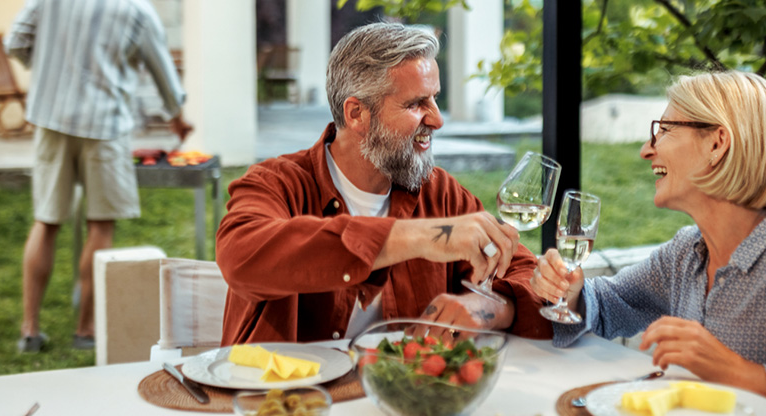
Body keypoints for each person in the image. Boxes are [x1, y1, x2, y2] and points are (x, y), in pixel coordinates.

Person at [530, 71, 766, 416]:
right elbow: (610, 304)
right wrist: (573, 292)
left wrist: (740, 374)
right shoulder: (687, 252)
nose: (646, 150)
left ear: (717, 143)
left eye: (665, 130)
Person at [216, 22, 549, 345]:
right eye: (417, 104)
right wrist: (423, 237)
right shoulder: (275, 183)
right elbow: (241, 257)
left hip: (402, 396)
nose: (437, 119)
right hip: (287, 399)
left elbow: (527, 276)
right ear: (357, 114)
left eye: (434, 99)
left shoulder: (439, 193)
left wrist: (488, 307)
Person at [5, 0, 192, 353]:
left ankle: (29, 329)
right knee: (100, 225)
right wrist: (177, 116)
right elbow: (163, 72)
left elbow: (15, 41)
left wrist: (48, 66)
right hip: (104, 124)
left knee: (46, 220)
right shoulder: (136, 9)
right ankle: (85, 329)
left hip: (50, 117)